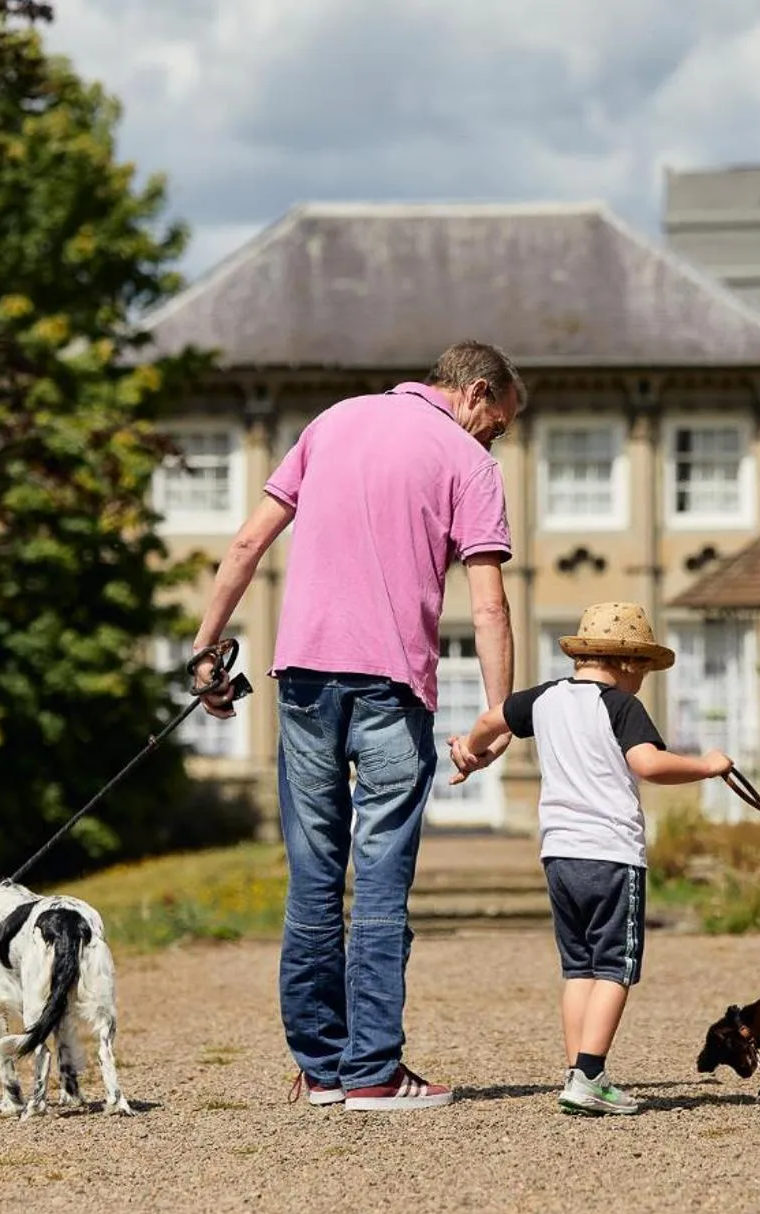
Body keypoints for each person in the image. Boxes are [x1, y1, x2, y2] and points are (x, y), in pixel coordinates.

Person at [190, 341, 520, 1112]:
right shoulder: (467, 463)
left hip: (302, 677)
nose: (493, 439)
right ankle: (372, 1069)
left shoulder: (333, 421)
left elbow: (246, 542)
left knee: (312, 873)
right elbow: (492, 603)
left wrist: (206, 651)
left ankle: (318, 1067)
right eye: (497, 424)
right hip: (391, 686)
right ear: (476, 392)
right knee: (378, 880)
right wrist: (497, 710)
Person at [450, 602, 729, 1115]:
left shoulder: (546, 699)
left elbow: (492, 718)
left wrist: (471, 751)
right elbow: (648, 764)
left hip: (558, 854)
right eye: (643, 667)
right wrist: (706, 766)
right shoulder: (621, 706)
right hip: (611, 854)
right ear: (626, 664)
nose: (642, 678)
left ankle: (577, 1072)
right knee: (615, 968)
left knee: (578, 967)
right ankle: (591, 1074)